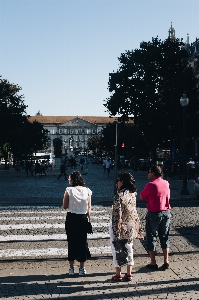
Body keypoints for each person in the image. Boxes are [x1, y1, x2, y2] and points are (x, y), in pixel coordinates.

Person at [109, 172, 143, 282]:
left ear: (122, 182)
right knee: (129, 247)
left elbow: (116, 215)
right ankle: (129, 273)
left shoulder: (118, 196)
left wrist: (116, 230)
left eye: (117, 181)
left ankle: (118, 274)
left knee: (116, 248)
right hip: (131, 224)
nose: (116, 184)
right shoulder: (133, 194)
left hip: (121, 225)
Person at [140, 165, 171, 271]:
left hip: (154, 214)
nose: (148, 174)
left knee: (151, 237)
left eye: (149, 172)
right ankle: (166, 261)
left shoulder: (150, 185)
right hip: (166, 213)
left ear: (153, 173)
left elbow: (142, 196)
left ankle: (153, 262)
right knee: (165, 237)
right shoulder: (166, 183)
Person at [62, 171, 92, 276]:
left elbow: (64, 206)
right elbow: (89, 209)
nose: (68, 180)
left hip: (71, 218)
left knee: (71, 243)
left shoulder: (68, 190)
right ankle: (82, 268)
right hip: (83, 219)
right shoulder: (87, 191)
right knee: (82, 243)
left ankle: (71, 268)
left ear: (73, 179)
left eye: (69, 178)